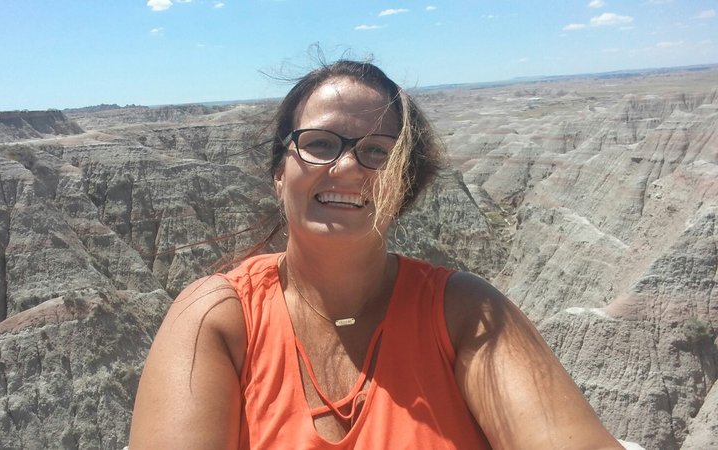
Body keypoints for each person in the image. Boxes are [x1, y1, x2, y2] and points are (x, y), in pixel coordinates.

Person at [129, 60, 622, 449]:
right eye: (319, 143)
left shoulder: (465, 314)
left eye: (378, 151)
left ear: (404, 183)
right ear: (279, 173)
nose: (346, 167)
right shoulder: (218, 320)